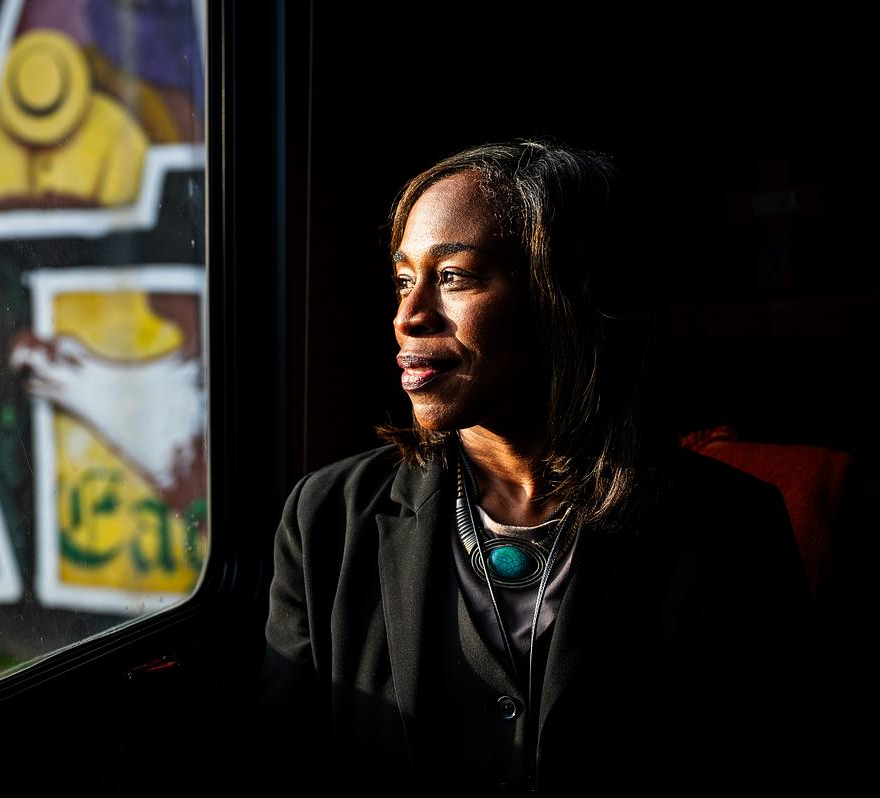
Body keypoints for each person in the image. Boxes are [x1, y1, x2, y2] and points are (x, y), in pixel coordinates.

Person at [254, 141, 818, 795]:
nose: (408, 316)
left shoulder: (729, 526)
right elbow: (282, 773)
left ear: (562, 298)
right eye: (405, 278)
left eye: (454, 277)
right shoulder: (326, 516)